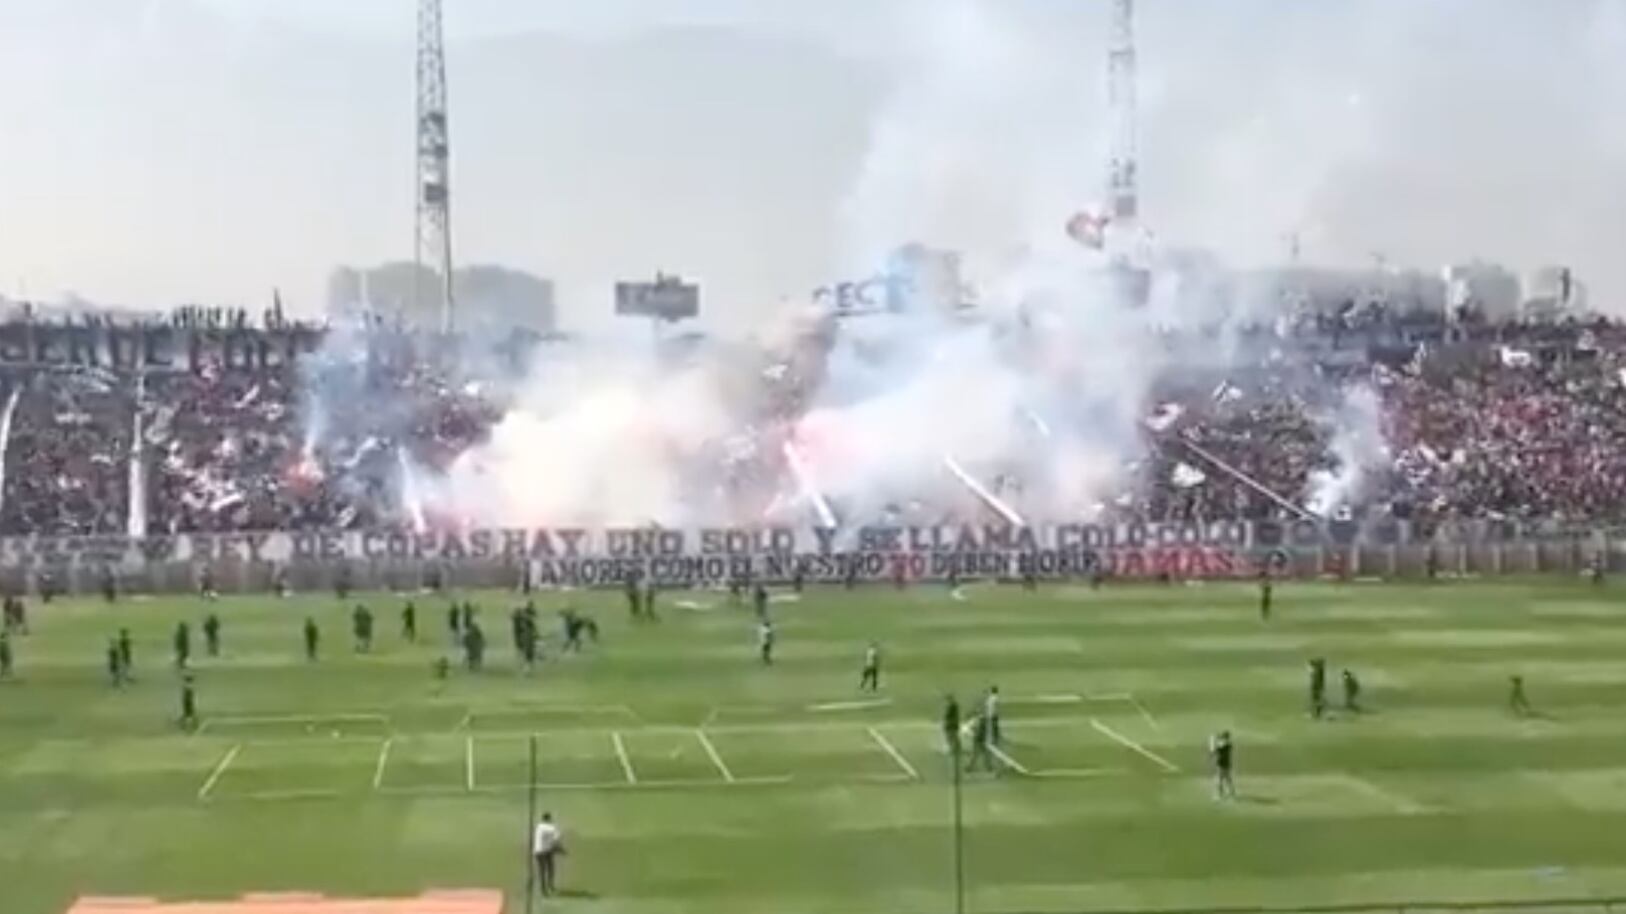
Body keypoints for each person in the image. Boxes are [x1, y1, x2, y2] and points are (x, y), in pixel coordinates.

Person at [532, 811, 565, 897]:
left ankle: (544, 889)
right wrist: (559, 848)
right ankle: (550, 886)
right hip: (545, 851)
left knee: (542, 870)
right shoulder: (551, 827)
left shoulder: (538, 826)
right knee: (550, 869)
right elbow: (557, 837)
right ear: (549, 819)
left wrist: (556, 847)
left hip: (538, 851)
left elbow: (547, 839)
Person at [1209, 730, 1235, 800]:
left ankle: (1220, 795)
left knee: (1220, 780)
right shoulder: (1228, 744)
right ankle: (1231, 793)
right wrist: (1216, 739)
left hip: (1222, 764)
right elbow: (1216, 750)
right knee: (1227, 779)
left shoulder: (1226, 745)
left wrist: (1213, 740)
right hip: (1226, 764)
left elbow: (1215, 751)